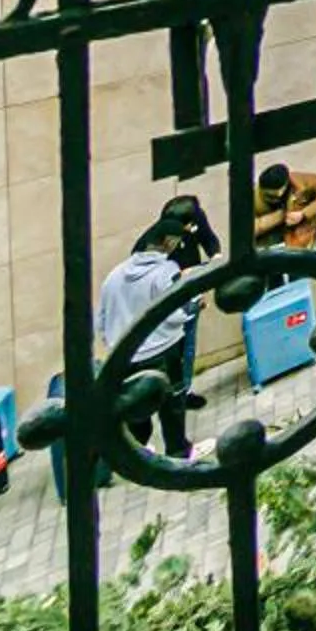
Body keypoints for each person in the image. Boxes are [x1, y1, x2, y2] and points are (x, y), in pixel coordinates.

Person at [95, 222, 198, 460]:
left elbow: (101, 321)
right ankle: (178, 452)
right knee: (171, 404)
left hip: (124, 355)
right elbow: (175, 313)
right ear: (169, 243)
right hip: (163, 350)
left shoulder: (114, 276)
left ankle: (135, 455)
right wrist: (193, 305)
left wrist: (115, 343)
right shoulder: (166, 271)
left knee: (136, 407)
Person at [143, 194, 221, 393]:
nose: (191, 228)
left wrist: (215, 255)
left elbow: (208, 239)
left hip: (190, 290)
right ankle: (171, 392)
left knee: (188, 345)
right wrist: (177, 275)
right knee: (173, 348)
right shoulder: (153, 242)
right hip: (169, 297)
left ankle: (184, 390)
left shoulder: (195, 217)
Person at [252, 163, 316, 251]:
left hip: (302, 240)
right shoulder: (252, 198)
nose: (276, 199)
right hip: (268, 245)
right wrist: (277, 218)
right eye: (269, 196)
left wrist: (303, 214)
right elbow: (243, 231)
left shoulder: (303, 183)